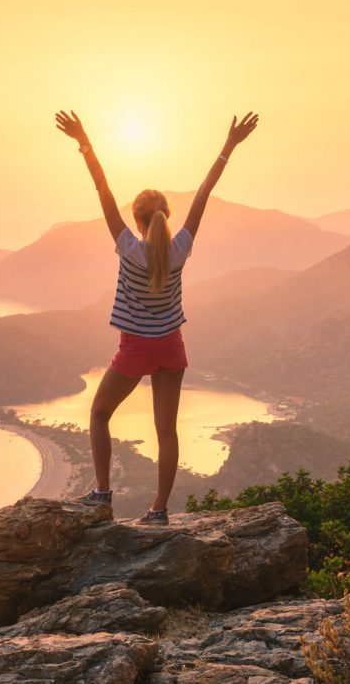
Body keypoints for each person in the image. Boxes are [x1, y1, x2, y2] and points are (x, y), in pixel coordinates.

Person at [53, 109, 259, 524]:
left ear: (137, 220)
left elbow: (102, 188)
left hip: (134, 350)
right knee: (166, 432)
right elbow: (203, 194)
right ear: (165, 217)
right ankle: (159, 510)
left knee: (98, 415)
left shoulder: (129, 249)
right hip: (171, 347)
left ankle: (102, 494)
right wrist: (228, 146)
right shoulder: (179, 249)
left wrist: (85, 141)